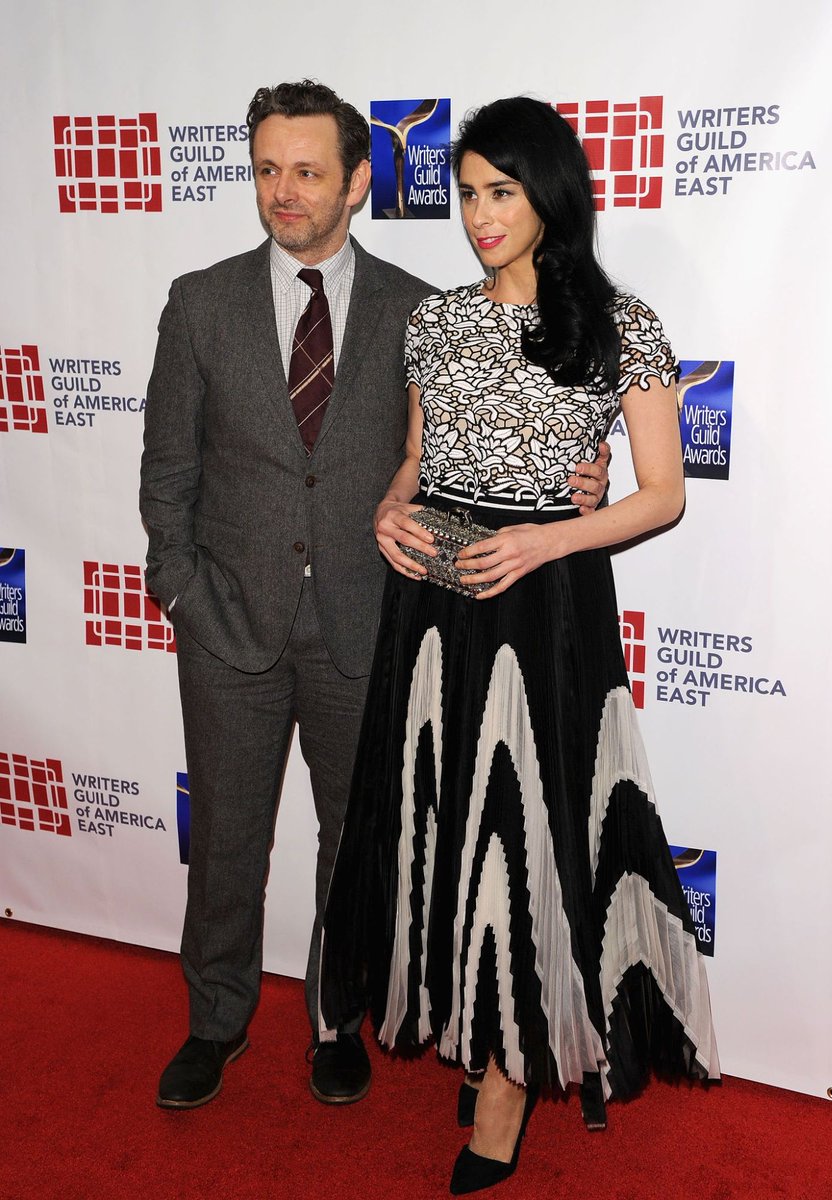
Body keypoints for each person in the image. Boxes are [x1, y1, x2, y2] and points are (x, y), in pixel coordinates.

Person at [139, 81, 611, 1113]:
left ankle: (335, 1018)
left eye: (307, 171)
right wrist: (179, 591)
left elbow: (506, 434)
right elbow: (164, 476)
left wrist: (584, 476)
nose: (283, 192)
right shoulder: (198, 301)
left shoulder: (423, 311)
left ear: (359, 181)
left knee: (356, 842)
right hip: (226, 626)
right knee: (223, 838)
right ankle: (215, 1020)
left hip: (372, 619)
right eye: (267, 169)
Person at [319, 96, 719, 1194]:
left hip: (541, 608)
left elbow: (659, 497)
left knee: (526, 828)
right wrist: (385, 513)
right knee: (446, 822)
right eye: (467, 193)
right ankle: (474, 1016)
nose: (480, 216)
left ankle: (506, 1078)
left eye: (503, 191)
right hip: (433, 607)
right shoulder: (434, 323)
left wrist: (543, 544)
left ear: (549, 194)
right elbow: (415, 460)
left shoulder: (619, 323)